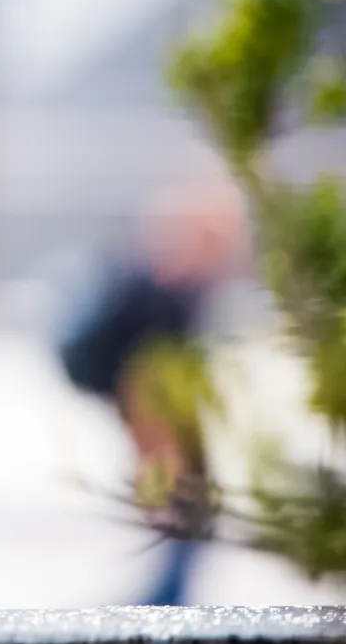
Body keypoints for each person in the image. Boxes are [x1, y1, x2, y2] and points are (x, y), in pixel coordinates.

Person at [58, 175, 247, 606]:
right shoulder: (161, 299)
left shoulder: (170, 292)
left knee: (185, 529)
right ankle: (153, 621)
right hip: (155, 420)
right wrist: (163, 459)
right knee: (184, 521)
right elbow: (145, 386)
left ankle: (158, 614)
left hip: (161, 420)